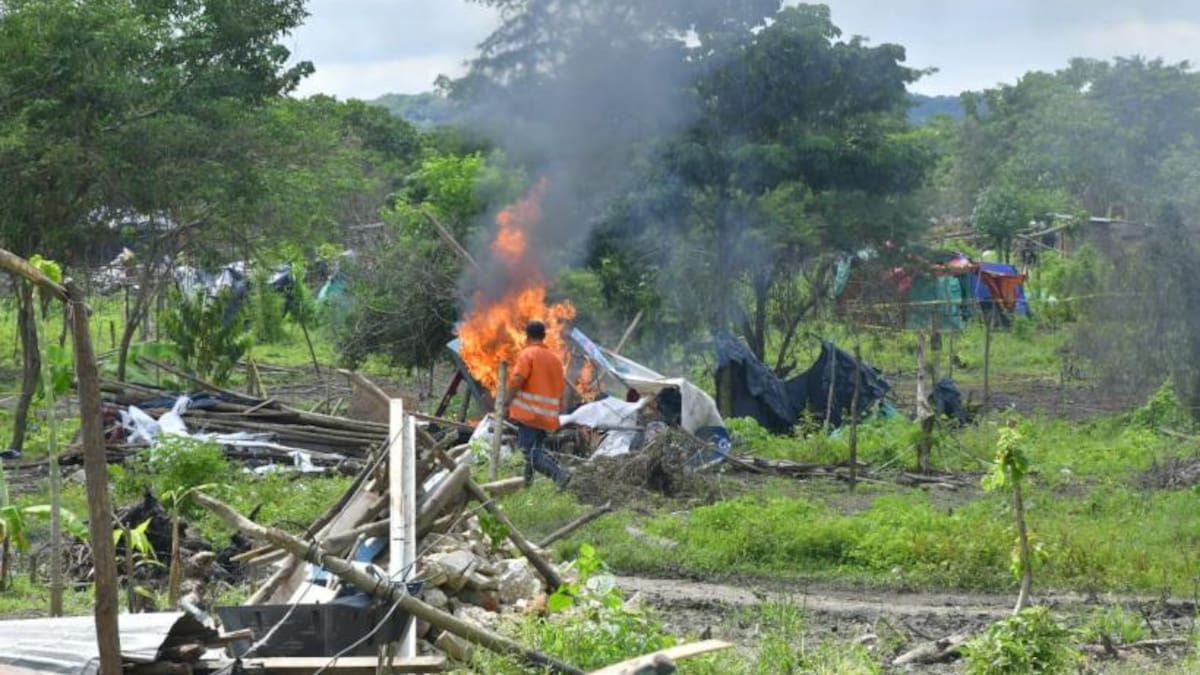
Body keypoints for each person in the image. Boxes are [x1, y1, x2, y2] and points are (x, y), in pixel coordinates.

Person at [504, 320, 571, 488]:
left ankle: (560, 475)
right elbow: (561, 389)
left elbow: (518, 379)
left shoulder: (528, 354)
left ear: (527, 336)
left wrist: (507, 400)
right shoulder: (555, 360)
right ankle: (526, 485)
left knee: (529, 453)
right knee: (534, 451)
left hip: (530, 415)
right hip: (547, 417)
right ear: (544, 336)